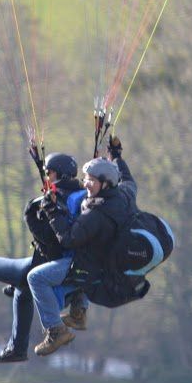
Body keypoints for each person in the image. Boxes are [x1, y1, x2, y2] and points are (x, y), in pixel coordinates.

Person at [31, 137, 137, 356]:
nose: (85, 184)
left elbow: (68, 239)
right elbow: (128, 179)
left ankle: (56, 330)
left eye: (91, 180)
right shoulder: (124, 195)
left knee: (36, 278)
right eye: (86, 179)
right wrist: (116, 156)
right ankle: (79, 313)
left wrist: (51, 210)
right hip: (108, 264)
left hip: (89, 266)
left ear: (105, 183)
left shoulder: (96, 213)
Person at [0, 153, 86, 363]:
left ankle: (20, 347)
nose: (46, 175)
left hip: (51, 265)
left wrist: (31, 214)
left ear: (57, 174)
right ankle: (17, 349)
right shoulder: (81, 197)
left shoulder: (55, 202)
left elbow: (50, 242)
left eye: (48, 172)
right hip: (70, 268)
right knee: (22, 291)